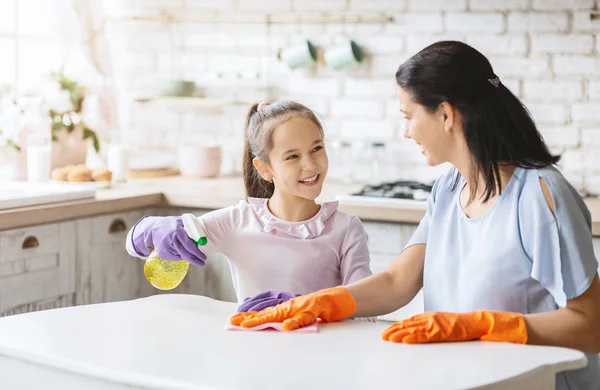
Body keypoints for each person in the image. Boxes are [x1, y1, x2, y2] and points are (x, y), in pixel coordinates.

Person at [230, 41, 600, 389]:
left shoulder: (540, 196)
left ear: (446, 115)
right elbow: (396, 282)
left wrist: (482, 325)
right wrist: (322, 303)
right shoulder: (449, 189)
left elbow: (590, 326)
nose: (405, 132)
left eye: (408, 116)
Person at [126, 100, 372, 312]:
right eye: (292, 156)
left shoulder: (346, 229)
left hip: (325, 352)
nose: (310, 165)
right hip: (251, 351)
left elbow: (366, 308)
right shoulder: (238, 222)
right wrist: (153, 228)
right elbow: (134, 244)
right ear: (264, 169)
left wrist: (315, 308)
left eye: (316, 148)